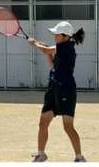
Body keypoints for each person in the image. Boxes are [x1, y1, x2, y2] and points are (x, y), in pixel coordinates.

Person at [28, 21, 86, 163]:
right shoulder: (60, 48)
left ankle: (79, 157)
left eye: (57, 34)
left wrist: (35, 44)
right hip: (53, 88)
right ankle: (41, 154)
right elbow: (53, 64)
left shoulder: (68, 47)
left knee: (68, 127)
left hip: (66, 90)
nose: (54, 36)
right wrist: (44, 49)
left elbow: (47, 50)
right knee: (43, 122)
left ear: (65, 36)